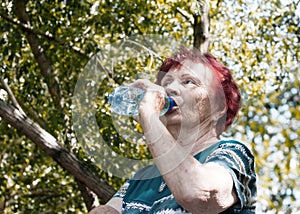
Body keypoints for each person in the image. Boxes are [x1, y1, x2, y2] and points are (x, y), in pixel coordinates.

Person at [89, 48, 257, 214]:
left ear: (220, 107)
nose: (170, 89)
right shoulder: (144, 175)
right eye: (167, 83)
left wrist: (149, 115)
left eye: (188, 81)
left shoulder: (233, 153)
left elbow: (199, 194)